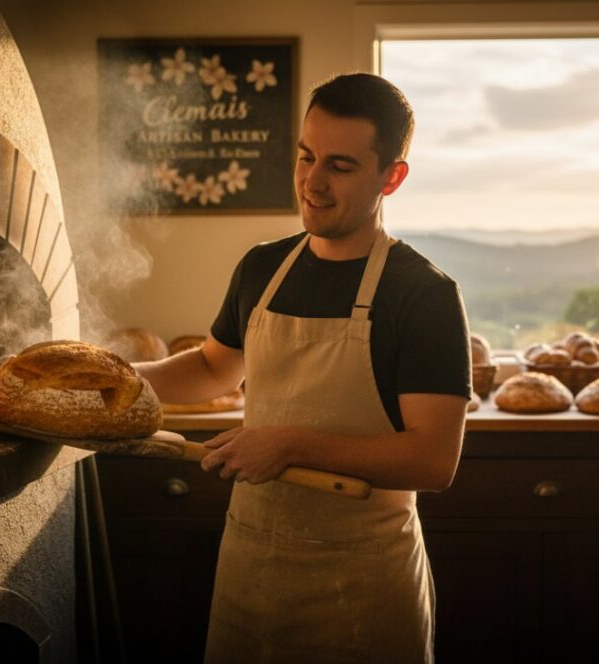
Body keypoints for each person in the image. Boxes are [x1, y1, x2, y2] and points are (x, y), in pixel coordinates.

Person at [136, 72, 471, 663]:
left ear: (391, 176)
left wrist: (288, 445)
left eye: (339, 166)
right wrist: (108, 379)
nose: (312, 182)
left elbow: (432, 459)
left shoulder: (423, 294)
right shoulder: (263, 268)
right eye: (305, 157)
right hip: (249, 572)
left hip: (364, 588)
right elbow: (215, 369)